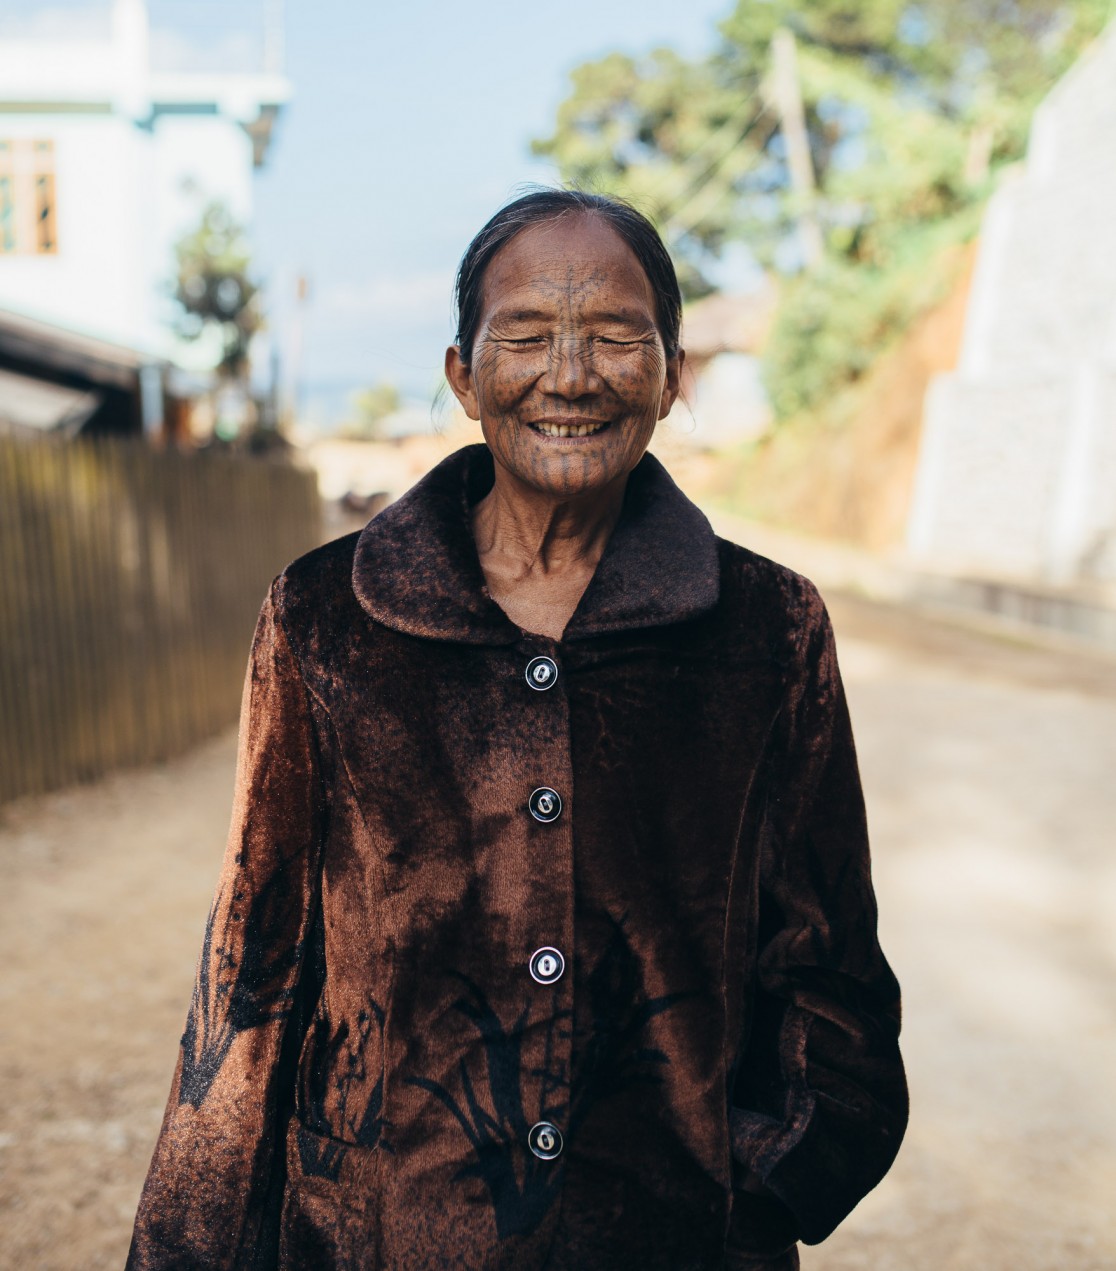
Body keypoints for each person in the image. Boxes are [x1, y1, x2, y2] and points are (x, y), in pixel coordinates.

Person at [128, 189, 907, 1271]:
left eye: (618, 337)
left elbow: (831, 970)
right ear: (463, 376)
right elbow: (252, 967)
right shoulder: (324, 616)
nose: (572, 374)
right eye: (528, 335)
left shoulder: (768, 629)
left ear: (673, 376)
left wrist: (759, 1183)